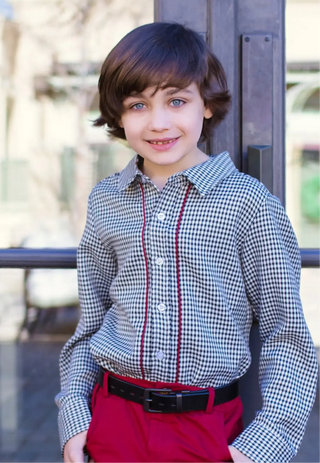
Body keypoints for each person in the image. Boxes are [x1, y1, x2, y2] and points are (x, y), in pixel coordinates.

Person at [55, 22, 318, 463]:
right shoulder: (105, 200)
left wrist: (264, 444)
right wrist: (75, 419)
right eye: (138, 104)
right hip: (112, 421)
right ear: (119, 115)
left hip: (207, 430)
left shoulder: (249, 205)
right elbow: (91, 324)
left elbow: (286, 335)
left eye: (176, 100)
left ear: (207, 105)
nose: (158, 123)